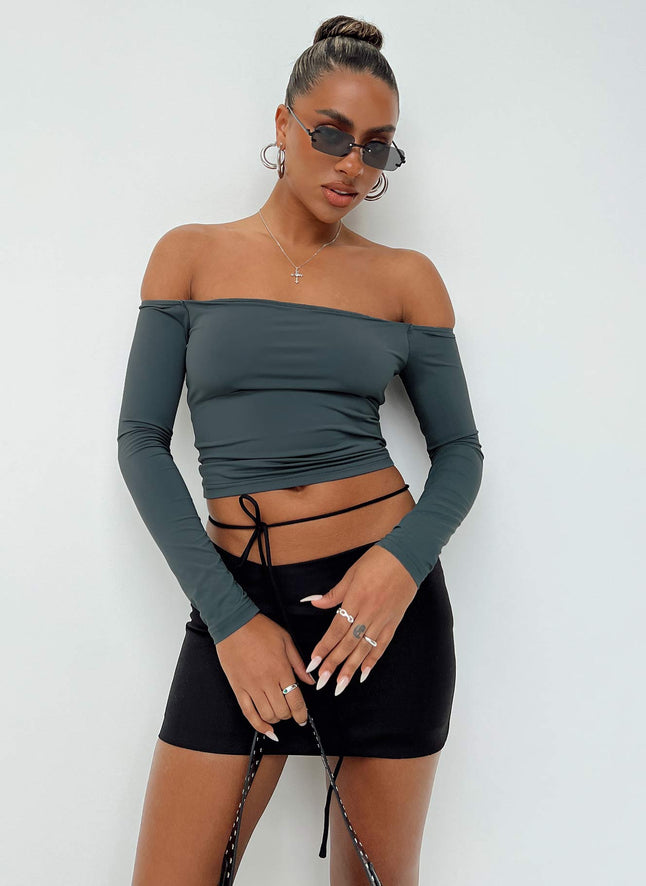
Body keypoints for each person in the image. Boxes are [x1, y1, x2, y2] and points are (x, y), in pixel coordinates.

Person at [117, 14, 484, 886]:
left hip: (380, 610)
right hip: (237, 595)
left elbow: (461, 453)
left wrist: (398, 566)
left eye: (376, 148)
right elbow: (140, 442)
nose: (352, 164)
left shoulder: (407, 279)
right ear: (283, 125)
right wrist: (231, 618)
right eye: (331, 134)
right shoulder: (190, 256)